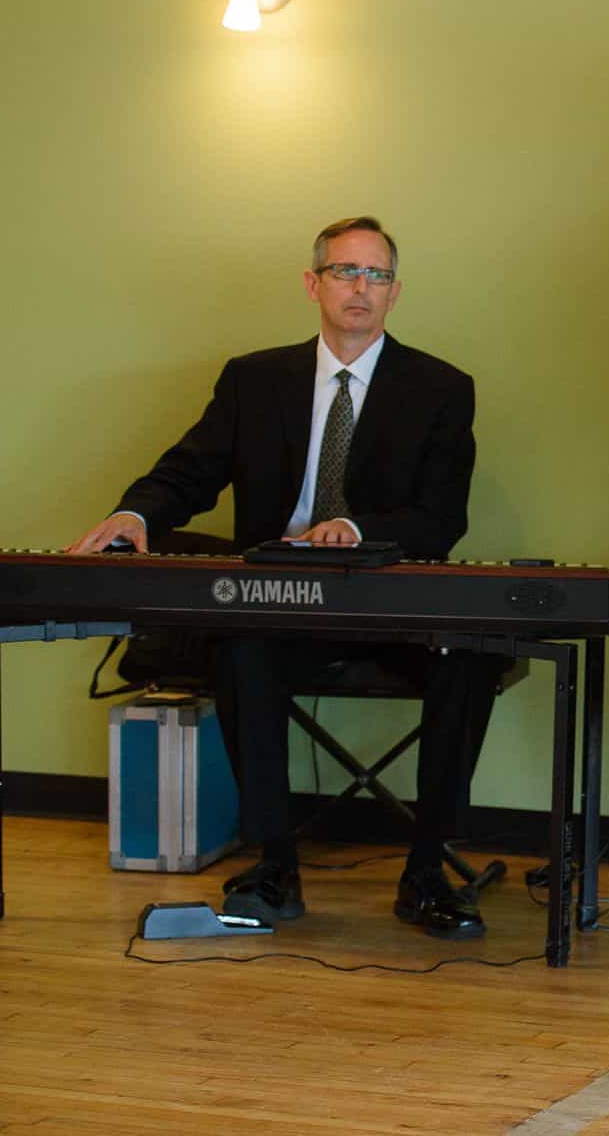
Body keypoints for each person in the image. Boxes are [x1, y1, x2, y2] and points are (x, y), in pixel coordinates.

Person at [68, 216, 498, 939]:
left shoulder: (442, 389)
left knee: (473, 657)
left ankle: (426, 870)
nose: (362, 288)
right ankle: (275, 865)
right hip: (278, 600)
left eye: (377, 275)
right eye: (345, 272)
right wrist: (136, 514)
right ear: (313, 283)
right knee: (241, 649)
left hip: (386, 601)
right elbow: (188, 470)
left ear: (395, 293)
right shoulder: (254, 379)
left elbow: (441, 517)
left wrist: (356, 530)